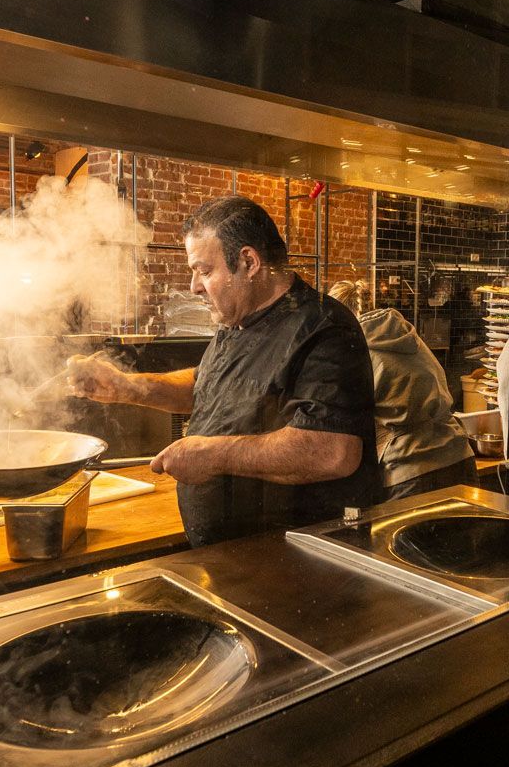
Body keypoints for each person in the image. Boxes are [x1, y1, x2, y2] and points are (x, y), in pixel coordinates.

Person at [68, 196, 378, 546]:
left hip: (294, 555)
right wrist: (125, 387)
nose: (194, 286)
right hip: (234, 551)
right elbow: (205, 384)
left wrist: (214, 455)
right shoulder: (238, 321)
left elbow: (333, 451)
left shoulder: (324, 327)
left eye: (204, 271)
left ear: (248, 262)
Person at [328, 280, 477, 500]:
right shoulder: (406, 337)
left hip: (411, 469)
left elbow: (342, 427)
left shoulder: (353, 351)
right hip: (459, 456)